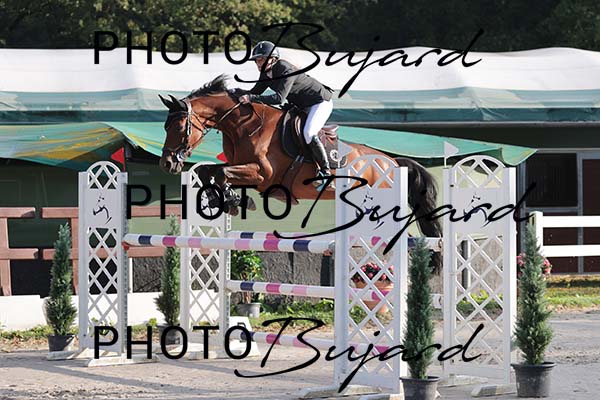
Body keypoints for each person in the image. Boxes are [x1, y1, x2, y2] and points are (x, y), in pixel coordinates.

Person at [238, 41, 335, 192]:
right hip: (302, 105)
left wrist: (251, 98)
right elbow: (255, 92)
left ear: (273, 59)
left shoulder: (284, 69)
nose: (259, 63)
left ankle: (326, 173)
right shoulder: (266, 73)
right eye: (257, 60)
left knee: (309, 133)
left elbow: (279, 98)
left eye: (262, 59)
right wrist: (235, 93)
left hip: (319, 102)